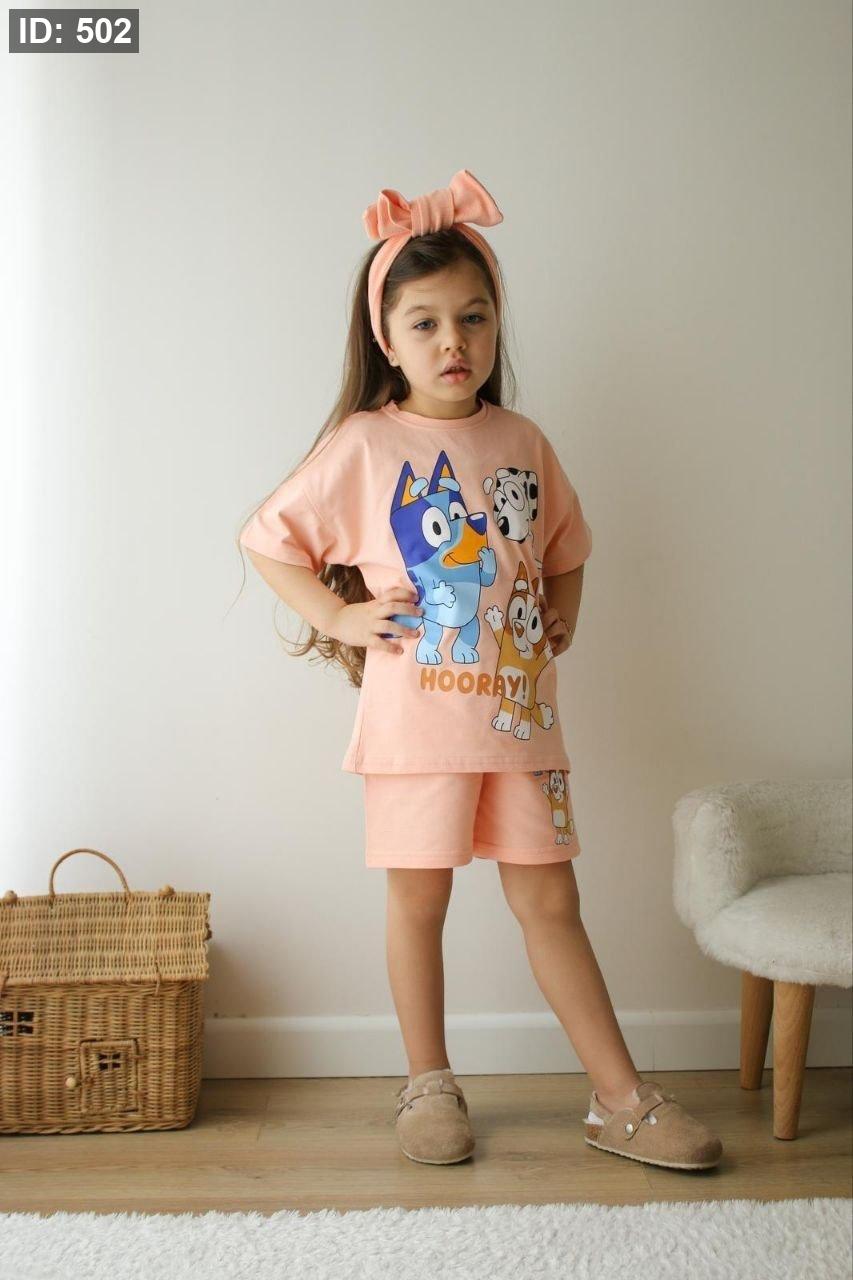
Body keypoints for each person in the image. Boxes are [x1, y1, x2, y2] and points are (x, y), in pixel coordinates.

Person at [237, 170, 722, 1171]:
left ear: (496, 326)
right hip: (415, 731)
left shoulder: (523, 442)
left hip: (520, 727)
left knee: (551, 904)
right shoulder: (366, 444)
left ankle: (620, 1098)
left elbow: (568, 543)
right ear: (386, 338)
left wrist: (564, 616)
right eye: (424, 323)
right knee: (419, 903)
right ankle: (427, 1081)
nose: (451, 341)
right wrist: (337, 614)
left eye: (472, 317)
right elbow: (269, 538)